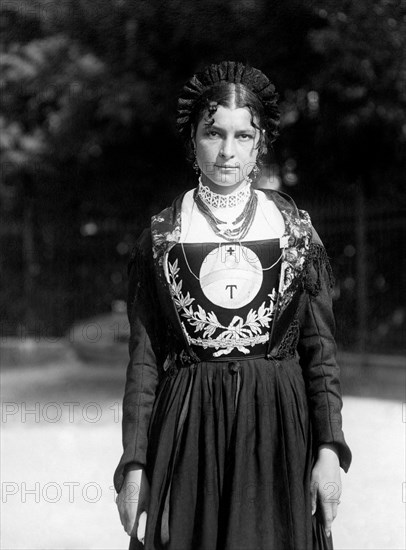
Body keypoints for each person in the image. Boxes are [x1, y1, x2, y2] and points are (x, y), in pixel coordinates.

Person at [114, 61, 352, 550]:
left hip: (279, 433)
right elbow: (143, 362)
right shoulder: (161, 236)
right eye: (213, 133)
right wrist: (135, 463)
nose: (227, 151)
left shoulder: (294, 230)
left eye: (243, 136)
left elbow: (320, 350)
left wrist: (328, 449)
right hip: (189, 432)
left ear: (260, 141)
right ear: (192, 140)